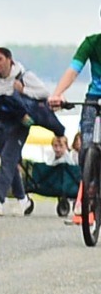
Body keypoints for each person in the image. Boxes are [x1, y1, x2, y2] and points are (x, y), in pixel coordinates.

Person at [0, 46, 65, 214]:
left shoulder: (24, 76)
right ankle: (23, 200)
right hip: (3, 123)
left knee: (8, 157)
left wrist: (24, 90)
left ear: (9, 60)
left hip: (21, 123)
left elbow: (44, 92)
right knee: (8, 159)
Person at [46, 12, 101, 226]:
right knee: (86, 146)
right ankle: (90, 186)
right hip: (94, 99)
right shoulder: (92, 43)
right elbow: (74, 70)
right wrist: (57, 93)